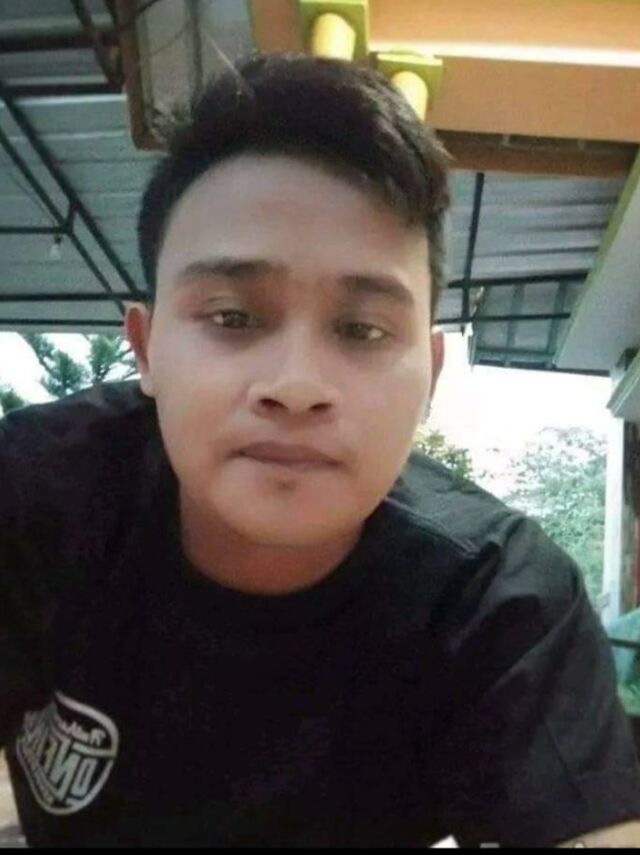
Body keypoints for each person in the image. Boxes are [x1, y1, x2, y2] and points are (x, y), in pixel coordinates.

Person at [1, 52, 639, 848]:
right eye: (233, 317)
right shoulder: (32, 499)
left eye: (362, 329)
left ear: (430, 374)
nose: (297, 385)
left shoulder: (499, 606)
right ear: (146, 347)